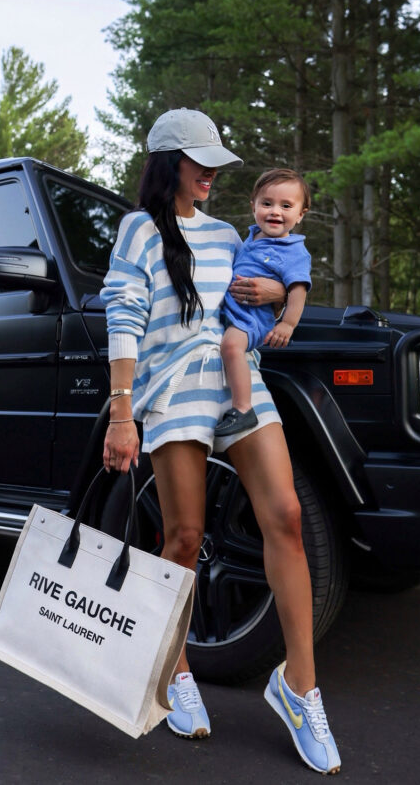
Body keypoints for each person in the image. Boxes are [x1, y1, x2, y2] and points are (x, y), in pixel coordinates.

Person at [101, 107, 341, 775]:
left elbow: (262, 291)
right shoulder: (140, 230)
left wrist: (274, 292)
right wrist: (123, 413)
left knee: (287, 517)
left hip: (238, 380)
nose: (211, 172)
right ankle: (174, 667)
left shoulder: (229, 233)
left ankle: (299, 687)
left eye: (215, 162)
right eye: (198, 160)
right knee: (184, 536)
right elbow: (123, 318)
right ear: (168, 162)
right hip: (172, 386)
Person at [214, 169, 312, 436]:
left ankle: (243, 409)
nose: (275, 212)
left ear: (300, 214)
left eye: (286, 206)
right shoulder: (251, 237)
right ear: (253, 206)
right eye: (266, 203)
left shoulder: (294, 251)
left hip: (252, 317)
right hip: (236, 311)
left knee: (232, 347)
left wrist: (288, 324)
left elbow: (298, 290)